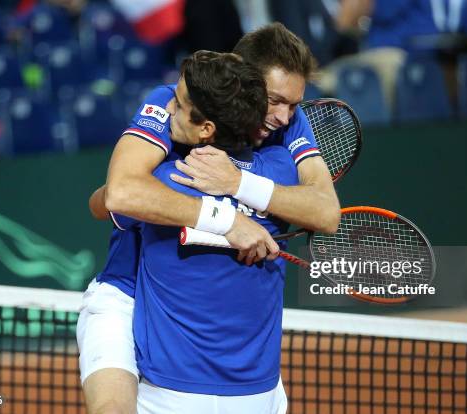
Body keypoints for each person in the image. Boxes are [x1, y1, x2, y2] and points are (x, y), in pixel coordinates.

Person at [79, 23, 340, 414]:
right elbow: (116, 195)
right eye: (274, 100)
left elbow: (326, 212)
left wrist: (238, 183)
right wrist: (226, 220)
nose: (285, 117)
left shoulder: (286, 121)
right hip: (127, 292)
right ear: (243, 81)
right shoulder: (176, 104)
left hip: (221, 350)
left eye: (293, 104)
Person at [112, 50, 295, 413]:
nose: (169, 111)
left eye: (178, 106)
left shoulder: (163, 180)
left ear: (206, 129)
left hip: (170, 398)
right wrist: (233, 216)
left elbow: (108, 200)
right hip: (257, 398)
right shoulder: (282, 170)